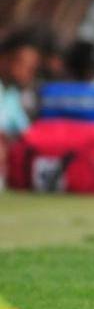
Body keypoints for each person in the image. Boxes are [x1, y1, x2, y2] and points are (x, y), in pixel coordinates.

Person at [0, 30, 40, 192]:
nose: (29, 72)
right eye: (24, 65)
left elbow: (27, 134)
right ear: (4, 60)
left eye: (33, 67)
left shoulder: (13, 96)